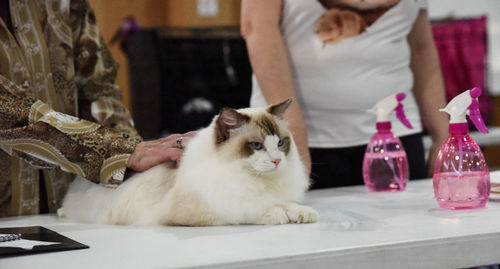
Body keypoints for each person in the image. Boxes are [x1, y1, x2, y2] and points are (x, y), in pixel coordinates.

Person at [0, 0, 194, 217]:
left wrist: (136, 172)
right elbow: (7, 112)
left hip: (65, 215)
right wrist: (121, 152)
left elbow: (98, 86)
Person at [241, 0, 449, 189]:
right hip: (303, 141)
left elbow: (420, 46)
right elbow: (257, 29)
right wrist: (289, 126)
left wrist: (443, 134)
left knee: (411, 229)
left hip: (396, 136)